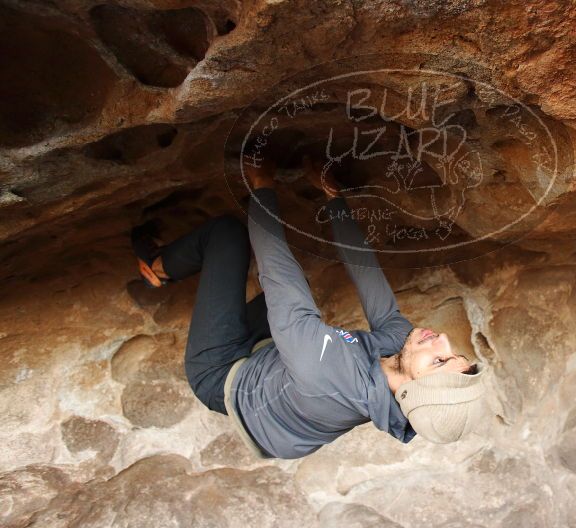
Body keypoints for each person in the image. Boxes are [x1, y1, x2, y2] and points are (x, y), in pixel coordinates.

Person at [130, 155, 488, 459]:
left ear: (408, 391)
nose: (440, 338)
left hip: (221, 375)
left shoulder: (329, 372)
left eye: (438, 360)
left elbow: (277, 271)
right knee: (290, 314)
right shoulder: (402, 357)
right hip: (275, 368)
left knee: (227, 234)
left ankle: (158, 268)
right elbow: (367, 274)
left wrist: (262, 185)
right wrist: (334, 196)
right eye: (452, 352)